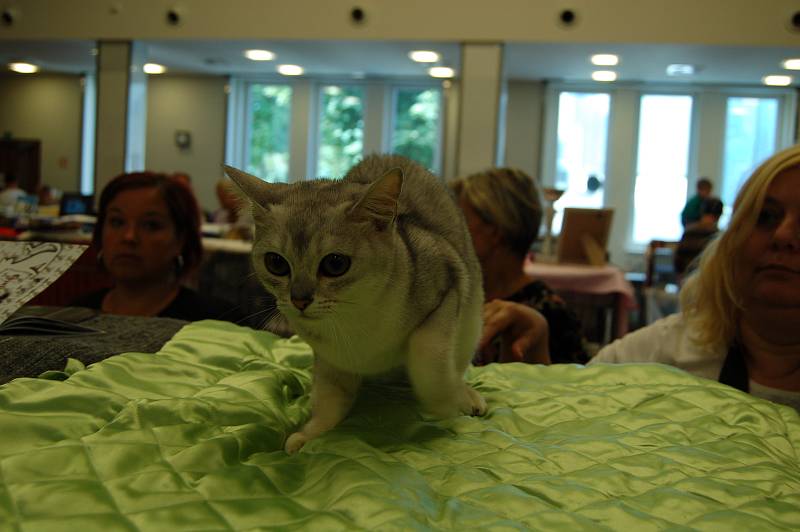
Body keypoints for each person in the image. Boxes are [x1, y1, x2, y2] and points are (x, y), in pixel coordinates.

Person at [592, 144, 800, 412]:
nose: (783, 236)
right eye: (765, 216)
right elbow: (558, 418)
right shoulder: (661, 355)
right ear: (733, 239)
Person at [451, 166, 588, 365]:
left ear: (495, 231)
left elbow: (570, 391)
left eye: (460, 221)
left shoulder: (551, 315)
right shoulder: (456, 296)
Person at [71, 172, 243, 323]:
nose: (129, 236)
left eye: (151, 225)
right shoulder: (73, 316)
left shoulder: (217, 323)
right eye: (117, 222)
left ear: (181, 239)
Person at [673, 196, 723, 277]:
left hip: (687, 280)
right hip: (708, 282)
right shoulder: (719, 237)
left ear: (701, 211)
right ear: (719, 215)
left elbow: (678, 262)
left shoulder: (688, 231)